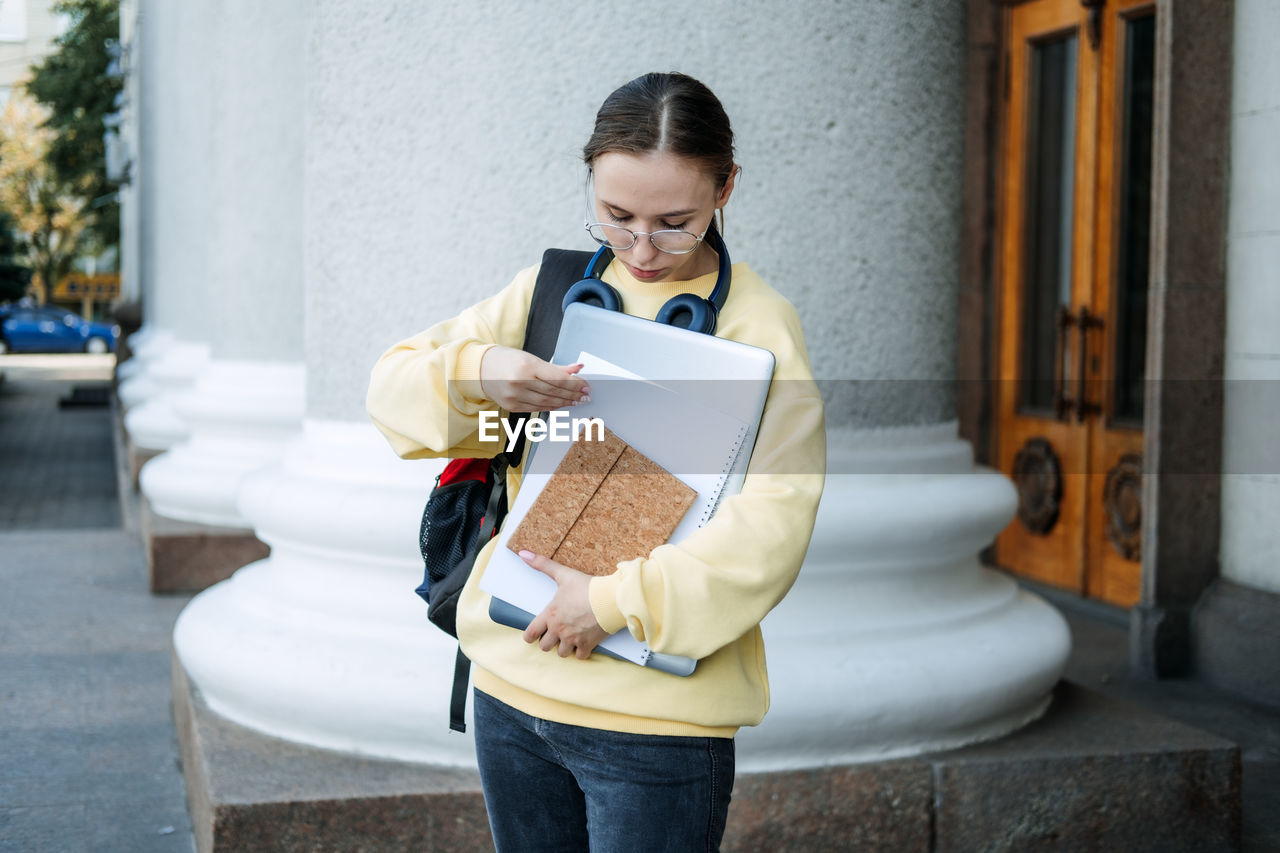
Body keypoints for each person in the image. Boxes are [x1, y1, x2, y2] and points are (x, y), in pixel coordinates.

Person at [367, 72, 825, 852]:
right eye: (617, 217)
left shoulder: (759, 326)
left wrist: (613, 604)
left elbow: (774, 520)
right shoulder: (551, 291)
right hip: (510, 692)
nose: (642, 250)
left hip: (653, 728)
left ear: (726, 188)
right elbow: (392, 389)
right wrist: (486, 375)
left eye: (674, 223)